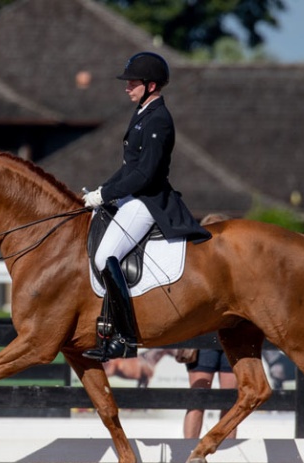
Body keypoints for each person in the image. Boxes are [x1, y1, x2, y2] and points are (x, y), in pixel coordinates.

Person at [81, 52, 211, 362]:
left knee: (105, 256)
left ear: (151, 85)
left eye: (133, 83)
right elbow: (129, 167)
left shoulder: (158, 118)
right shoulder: (142, 112)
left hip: (148, 200)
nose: (127, 87)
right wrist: (102, 191)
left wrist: (107, 194)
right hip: (132, 195)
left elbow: (145, 173)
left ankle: (124, 338)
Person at [178, 213, 237, 439]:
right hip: (202, 339)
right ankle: (189, 449)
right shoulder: (192, 266)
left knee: (230, 399)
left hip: (229, 336)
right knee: (198, 397)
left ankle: (228, 454)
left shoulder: (235, 266)